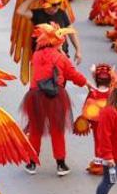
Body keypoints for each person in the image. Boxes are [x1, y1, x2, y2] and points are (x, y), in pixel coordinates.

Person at [22, 23, 88, 176]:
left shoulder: (36, 55)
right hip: (55, 97)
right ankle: (60, 164)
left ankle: (31, 163)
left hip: (35, 96)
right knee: (57, 130)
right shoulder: (60, 57)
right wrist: (87, 84)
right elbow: (72, 74)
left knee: (35, 130)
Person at [16, 0, 83, 63]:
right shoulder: (37, 14)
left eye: (59, 3)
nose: (57, 7)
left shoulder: (62, 13)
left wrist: (78, 50)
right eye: (53, 5)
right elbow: (20, 11)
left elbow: (71, 33)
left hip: (61, 56)